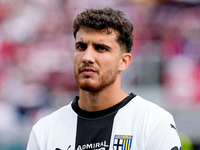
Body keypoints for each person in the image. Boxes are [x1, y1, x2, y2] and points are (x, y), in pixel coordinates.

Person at [27, 7, 182, 150]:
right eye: (81, 47)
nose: (87, 57)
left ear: (124, 61)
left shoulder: (153, 122)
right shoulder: (44, 131)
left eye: (100, 48)